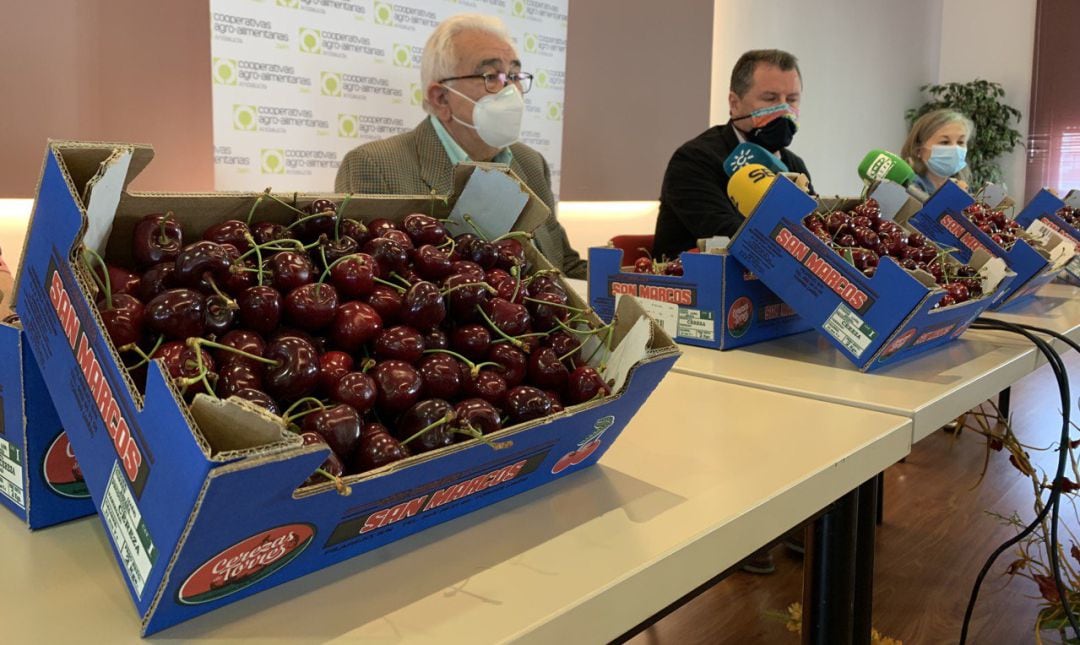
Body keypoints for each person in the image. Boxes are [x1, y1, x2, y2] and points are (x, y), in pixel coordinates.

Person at [334, 14, 586, 279]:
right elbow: (369, 282)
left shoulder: (531, 162)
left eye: (513, 75)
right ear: (441, 98)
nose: (510, 89)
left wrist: (627, 283)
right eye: (491, 76)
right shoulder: (374, 165)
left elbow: (564, 267)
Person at [652, 49, 812, 262]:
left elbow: (813, 230)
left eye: (791, 99)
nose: (784, 110)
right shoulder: (694, 159)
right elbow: (728, 235)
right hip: (696, 286)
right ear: (734, 103)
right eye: (770, 98)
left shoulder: (793, 164)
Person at [900, 108, 974, 195]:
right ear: (918, 150)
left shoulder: (960, 185)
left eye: (960, 142)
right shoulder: (911, 187)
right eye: (944, 142)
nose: (955, 149)